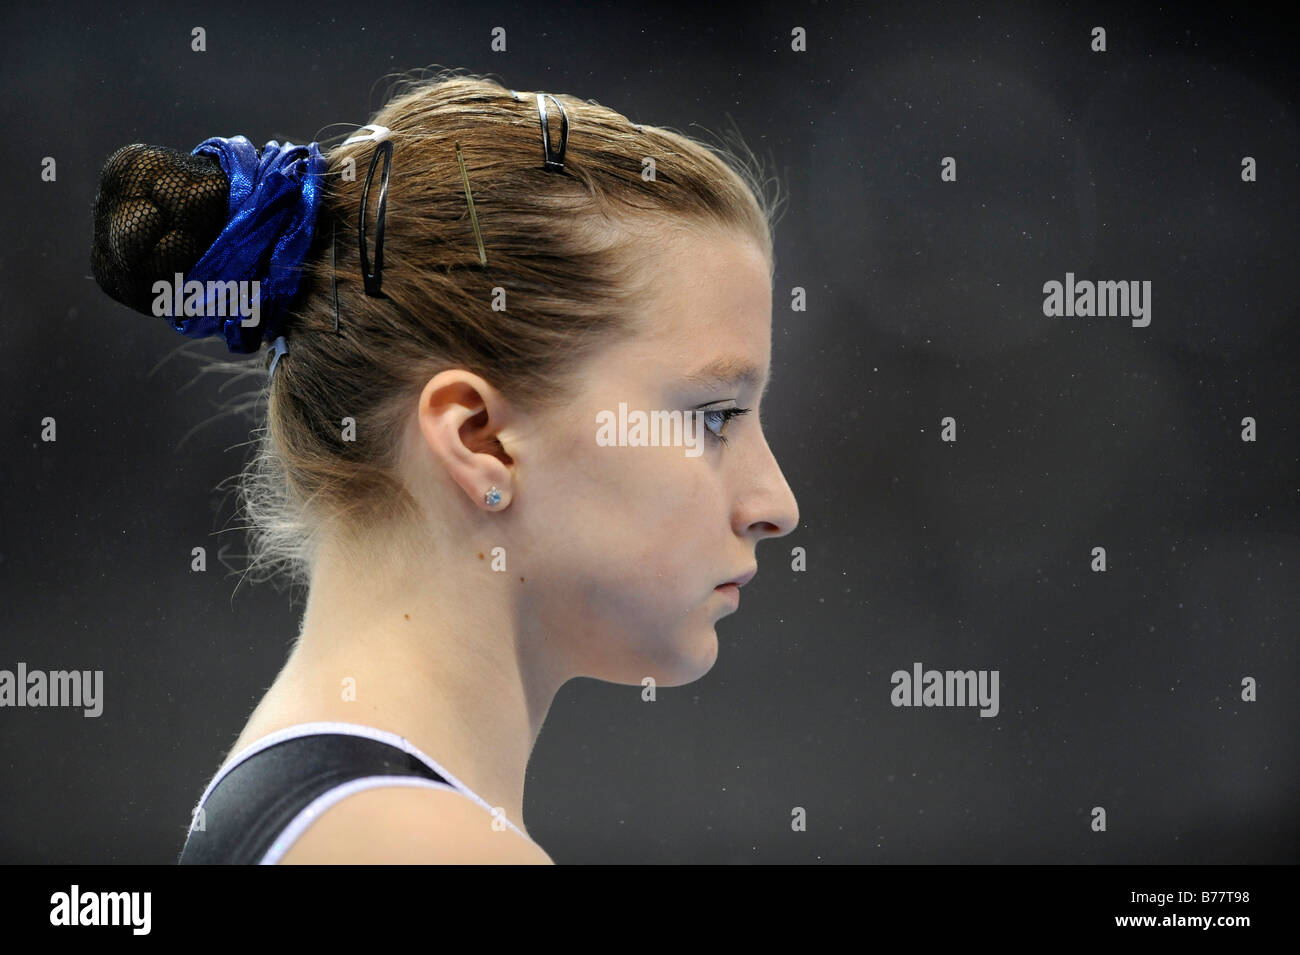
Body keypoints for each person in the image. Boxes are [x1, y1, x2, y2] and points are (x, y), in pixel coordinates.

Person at [90, 70, 799, 864]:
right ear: (479, 438)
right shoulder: (416, 846)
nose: (775, 502)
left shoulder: (303, 809)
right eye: (713, 417)